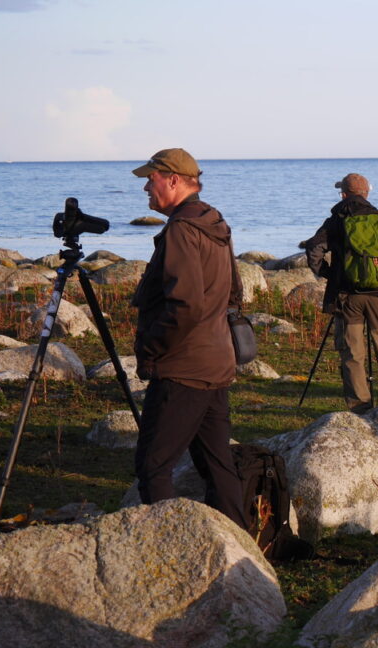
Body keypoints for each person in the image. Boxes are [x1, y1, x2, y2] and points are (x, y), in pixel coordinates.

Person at [130, 148, 244, 528]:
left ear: (173, 180)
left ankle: (167, 545)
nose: (147, 186)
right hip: (215, 361)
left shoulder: (181, 229)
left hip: (183, 367)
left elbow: (185, 305)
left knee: (153, 466)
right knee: (217, 464)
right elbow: (233, 293)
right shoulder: (214, 221)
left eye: (152, 178)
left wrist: (151, 348)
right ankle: (241, 546)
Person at [304, 173, 378, 413]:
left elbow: (313, 248)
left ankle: (361, 409)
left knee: (352, 353)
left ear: (343, 194)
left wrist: (329, 274)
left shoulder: (338, 218)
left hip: (348, 295)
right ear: (367, 192)